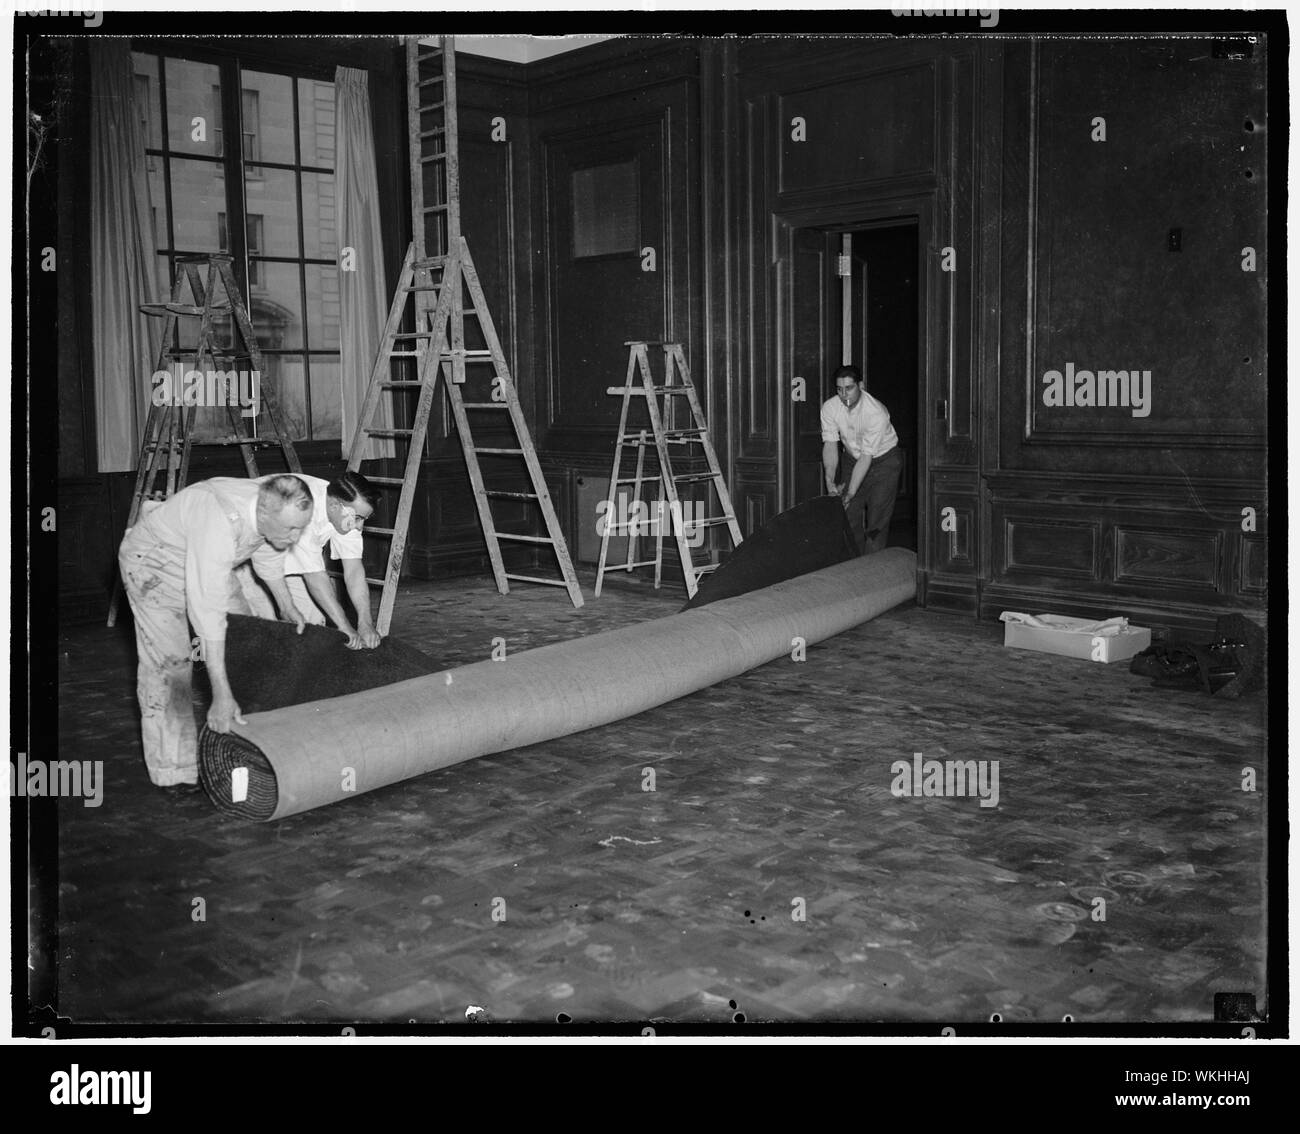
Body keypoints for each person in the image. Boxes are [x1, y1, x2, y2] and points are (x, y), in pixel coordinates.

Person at [117, 475, 314, 790]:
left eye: (300, 528)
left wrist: (286, 605)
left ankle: (248, 743)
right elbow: (207, 614)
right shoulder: (219, 522)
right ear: (263, 513)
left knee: (245, 639)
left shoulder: (268, 509)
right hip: (154, 567)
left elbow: (267, 550)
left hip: (204, 558)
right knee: (172, 664)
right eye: (290, 529)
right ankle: (175, 771)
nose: (295, 537)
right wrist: (220, 695)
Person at [237, 470, 381, 649]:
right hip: (243, 553)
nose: (360, 526)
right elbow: (314, 577)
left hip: (284, 555)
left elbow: (354, 572)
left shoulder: (345, 510)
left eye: (364, 519)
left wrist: (365, 623)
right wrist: (344, 626)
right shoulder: (302, 506)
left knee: (312, 626)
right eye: (358, 518)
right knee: (260, 629)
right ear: (335, 505)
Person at [820, 364, 902, 555]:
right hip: (852, 458)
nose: (844, 395)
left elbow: (866, 457)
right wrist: (829, 480)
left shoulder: (876, 412)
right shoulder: (830, 408)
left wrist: (850, 492)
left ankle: (871, 568)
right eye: (839, 389)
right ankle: (853, 565)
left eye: (849, 388)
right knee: (849, 513)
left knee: (877, 520)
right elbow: (831, 445)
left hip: (884, 462)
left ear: (861, 386)